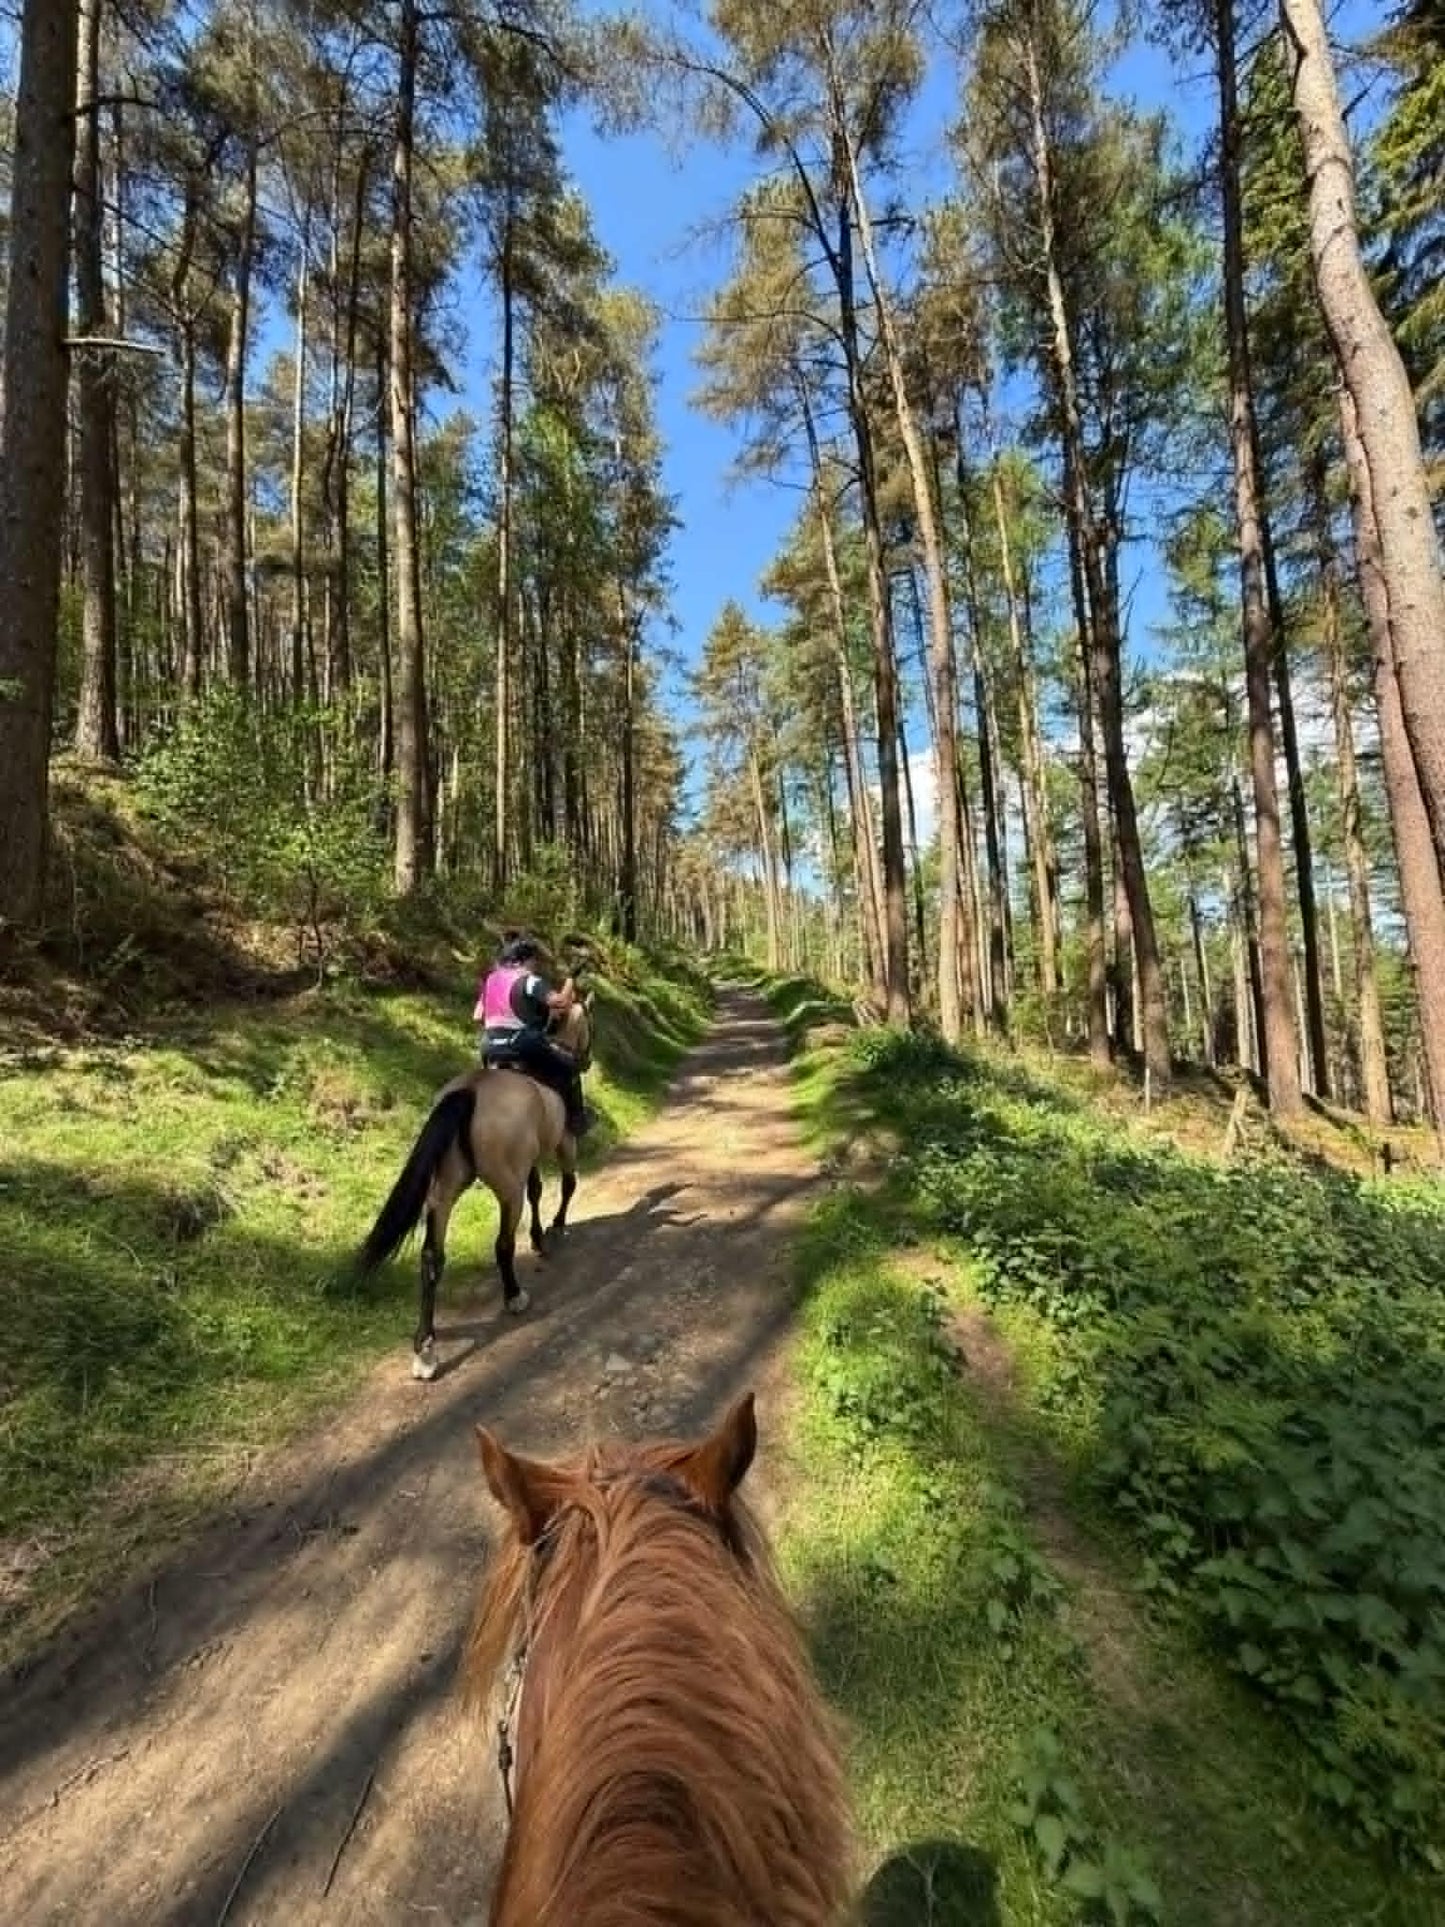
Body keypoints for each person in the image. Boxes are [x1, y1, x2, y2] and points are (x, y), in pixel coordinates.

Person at [474, 934, 593, 1137]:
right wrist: (571, 978)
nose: (536, 965)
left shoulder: (491, 980)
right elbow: (562, 1004)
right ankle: (577, 1119)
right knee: (570, 1066)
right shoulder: (529, 980)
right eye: (535, 960)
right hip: (522, 1045)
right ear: (528, 959)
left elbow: (477, 1016)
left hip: (489, 1047)